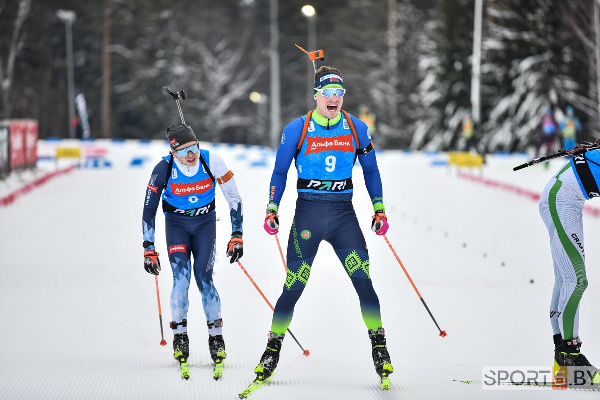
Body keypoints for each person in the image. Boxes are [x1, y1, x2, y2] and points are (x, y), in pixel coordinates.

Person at [252, 66, 394, 386]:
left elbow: (371, 172)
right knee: (294, 285)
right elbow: (279, 171)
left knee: (363, 281)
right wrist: (272, 208)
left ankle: (380, 348)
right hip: (308, 217)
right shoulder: (298, 128)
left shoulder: (357, 128)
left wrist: (379, 209)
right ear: (316, 95)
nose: (334, 99)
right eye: (328, 93)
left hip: (344, 216)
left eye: (339, 94)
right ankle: (271, 349)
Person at [142, 123, 243, 373]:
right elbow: (148, 210)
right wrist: (149, 247)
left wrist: (237, 234)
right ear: (173, 152)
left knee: (204, 277)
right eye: (185, 150)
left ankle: (216, 338)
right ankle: (180, 337)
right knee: (181, 280)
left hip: (204, 224)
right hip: (176, 225)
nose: (191, 154)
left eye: (194, 146)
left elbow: (234, 198)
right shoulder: (163, 168)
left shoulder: (211, 161)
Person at [538, 141, 600, 380]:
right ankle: (571, 357)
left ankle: (562, 359)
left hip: (566, 201)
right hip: (560, 200)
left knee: (566, 280)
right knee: (576, 280)